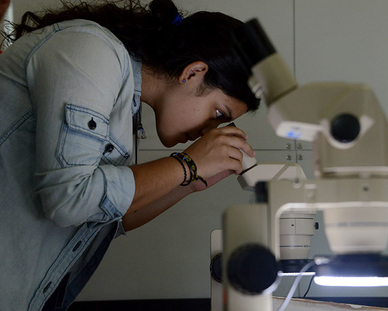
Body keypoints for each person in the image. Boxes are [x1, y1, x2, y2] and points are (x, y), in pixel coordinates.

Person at [0, 0, 260, 310]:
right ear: (193, 73)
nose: (209, 130)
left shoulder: (124, 102)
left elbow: (104, 217)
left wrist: (190, 183)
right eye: (218, 112)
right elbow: (69, 201)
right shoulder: (91, 51)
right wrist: (187, 164)